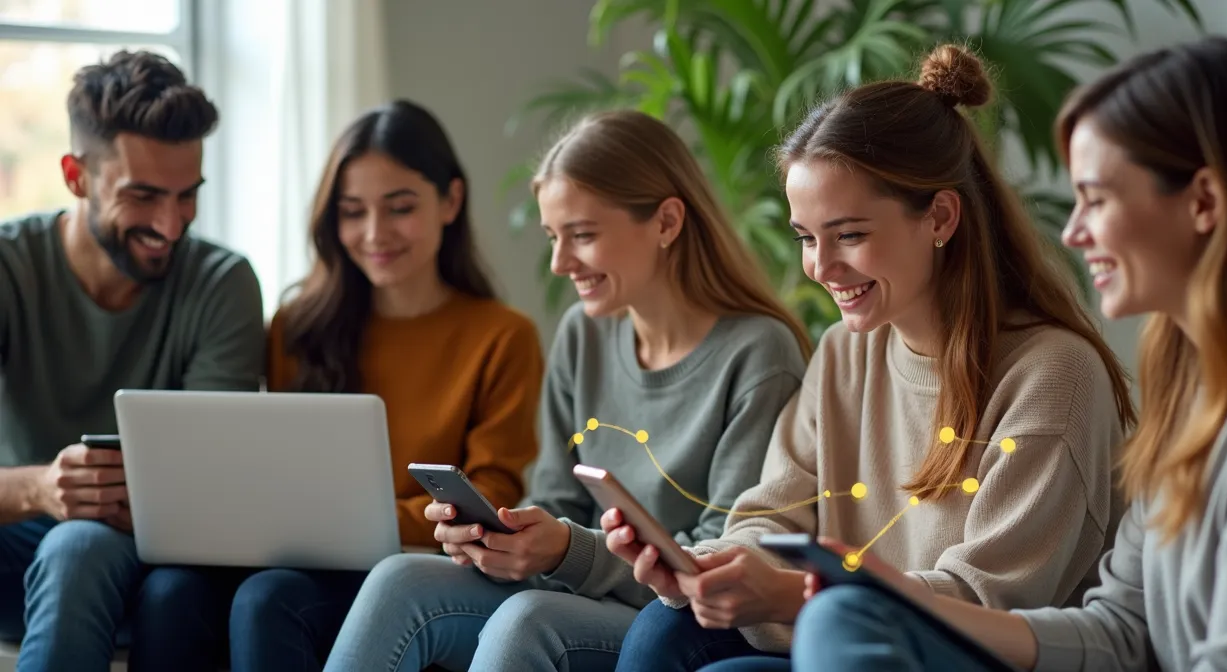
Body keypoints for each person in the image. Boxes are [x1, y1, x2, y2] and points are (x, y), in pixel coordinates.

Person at [786, 35, 1227, 672]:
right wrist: (897, 597)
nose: (1073, 231)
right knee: (841, 619)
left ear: (1203, 203)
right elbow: (1121, 630)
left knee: (840, 624)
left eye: (1097, 199)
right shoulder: (1189, 390)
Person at [604, 44, 1137, 671]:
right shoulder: (843, 353)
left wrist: (791, 594)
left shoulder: (1054, 376)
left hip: (956, 657)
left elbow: (985, 604)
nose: (820, 268)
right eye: (807, 238)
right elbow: (772, 510)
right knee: (664, 628)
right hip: (841, 634)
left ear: (940, 215)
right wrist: (720, 568)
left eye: (849, 235)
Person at [322, 109, 812, 671]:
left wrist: (567, 551)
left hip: (672, 615)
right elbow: (556, 501)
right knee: (400, 577)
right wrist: (503, 540)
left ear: (667, 222)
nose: (559, 263)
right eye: (554, 237)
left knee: (527, 620)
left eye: (582, 236)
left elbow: (721, 555)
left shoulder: (759, 354)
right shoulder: (584, 332)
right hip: (582, 588)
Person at [132, 100, 547, 671]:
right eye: (352, 212)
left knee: (269, 599)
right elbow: (271, 469)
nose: (375, 233)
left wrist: (351, 521)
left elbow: (489, 495)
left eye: (400, 207)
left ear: (450, 201)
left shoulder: (503, 337)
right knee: (168, 592)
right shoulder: (297, 327)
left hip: (416, 569)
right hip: (295, 557)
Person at [0, 50, 265, 671]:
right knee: (73, 541)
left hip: (147, 557)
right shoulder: (10, 269)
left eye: (187, 196)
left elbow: (206, 488)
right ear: (75, 176)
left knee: (80, 546)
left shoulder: (221, 284)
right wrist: (41, 488)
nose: (170, 226)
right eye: (143, 196)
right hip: (18, 537)